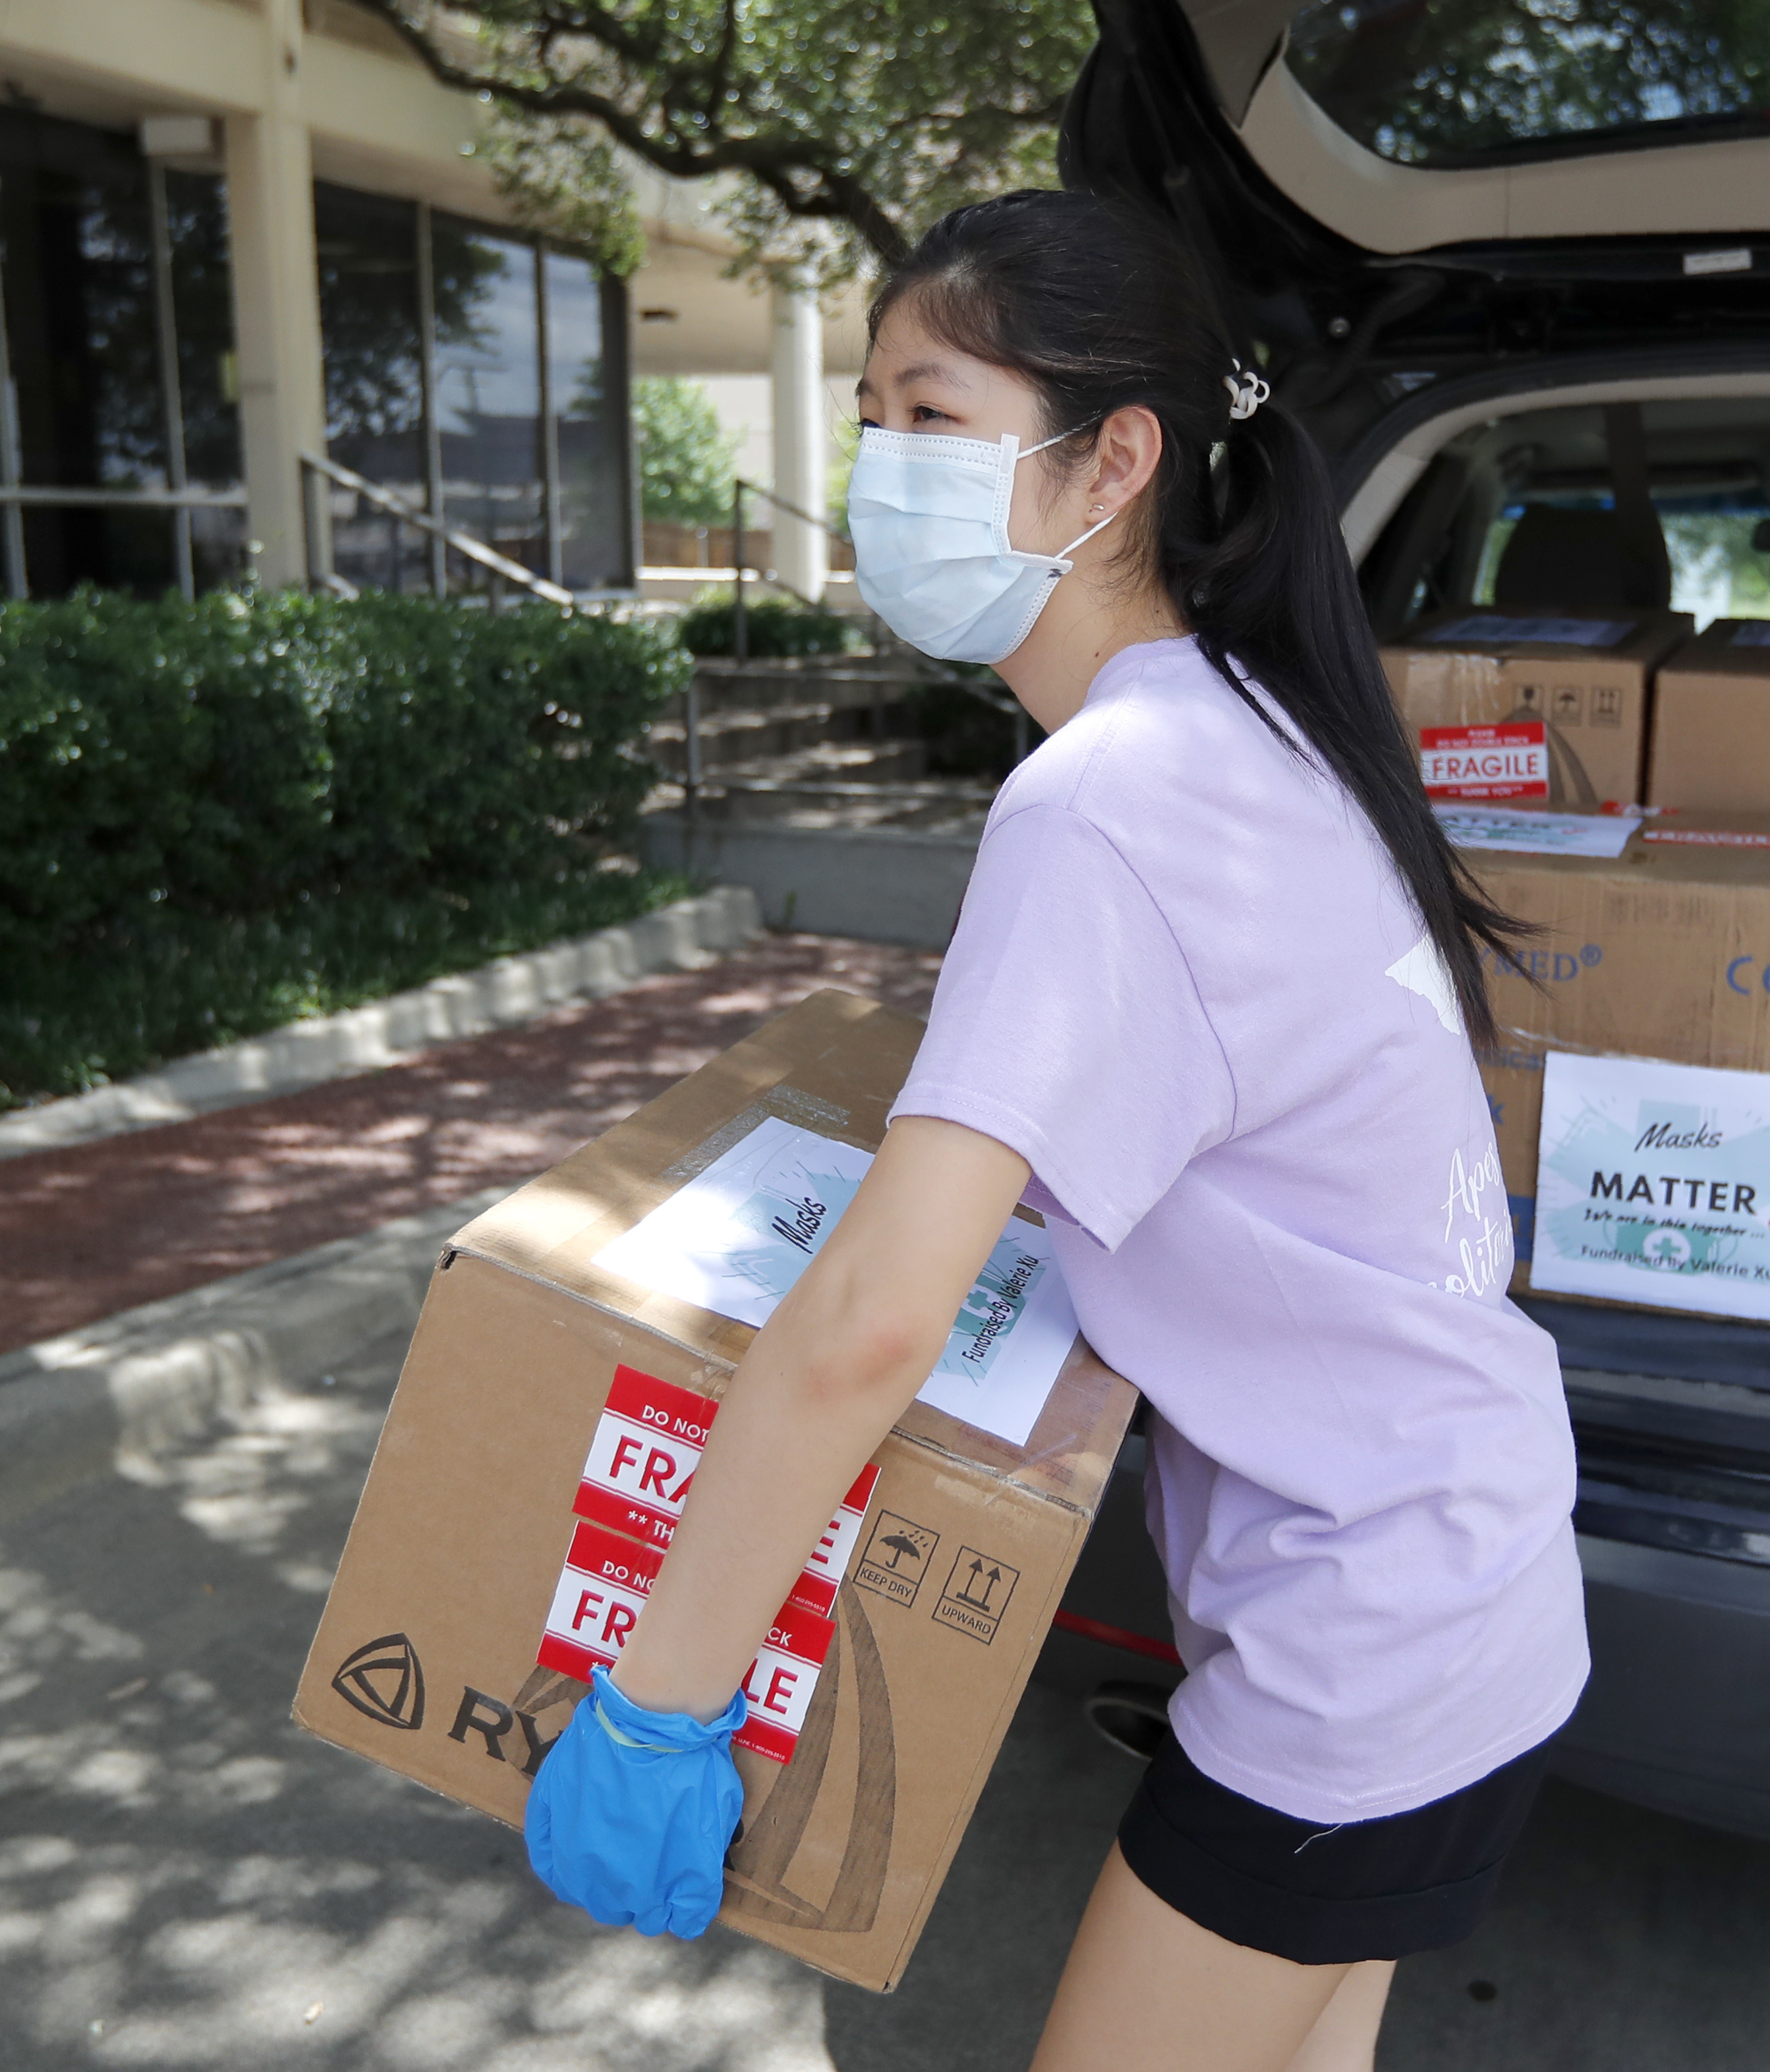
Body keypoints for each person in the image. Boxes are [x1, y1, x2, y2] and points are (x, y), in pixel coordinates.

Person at [519, 189, 1589, 2072]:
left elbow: (867, 1320)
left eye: (930, 414)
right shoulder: (1245, 727)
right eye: (868, 416)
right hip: (1461, 1582)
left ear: (1111, 463)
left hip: (1360, 1643)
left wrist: (657, 1697)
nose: (877, 464)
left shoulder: (1105, 797)